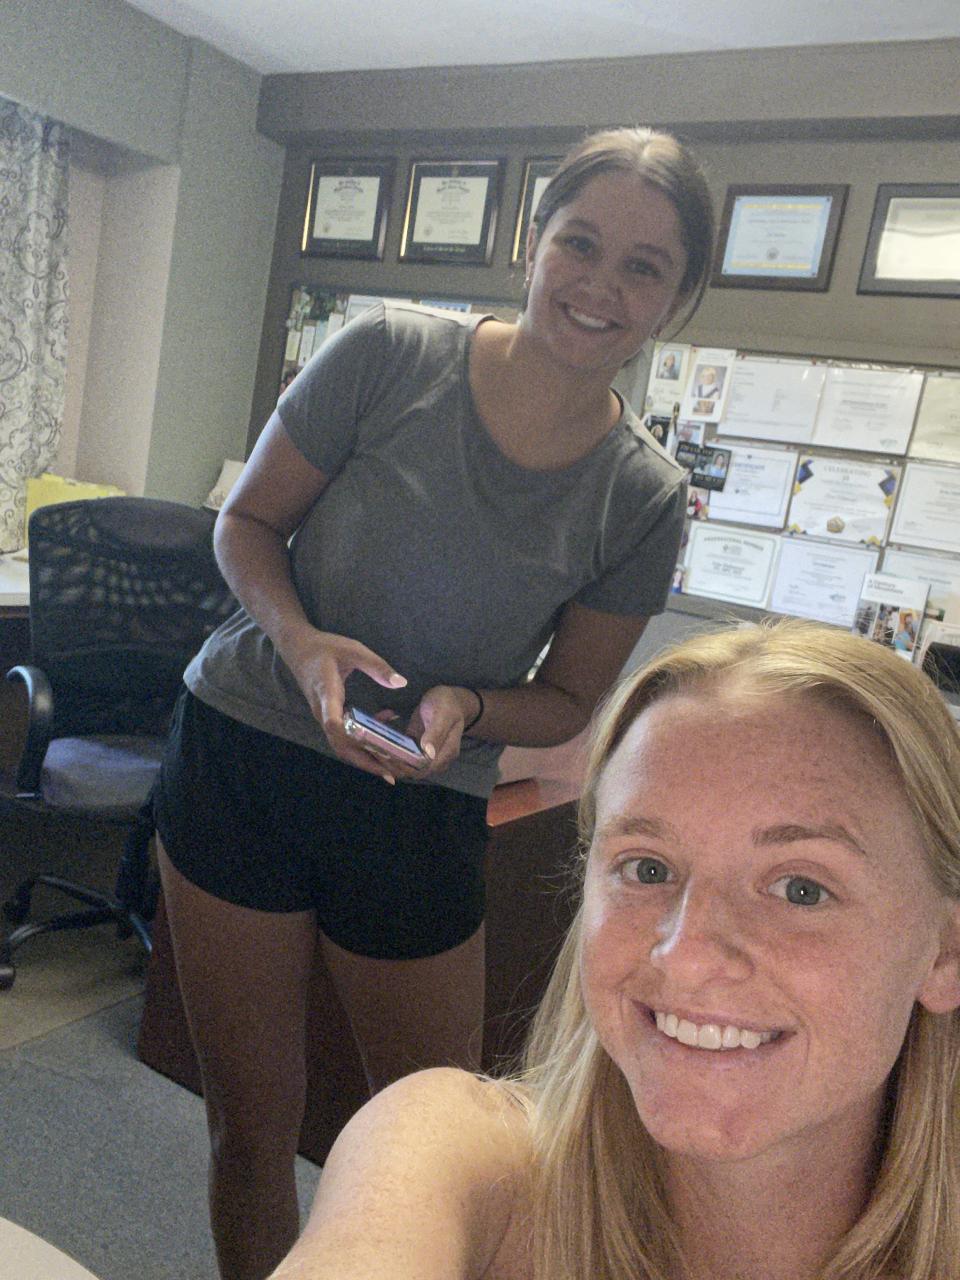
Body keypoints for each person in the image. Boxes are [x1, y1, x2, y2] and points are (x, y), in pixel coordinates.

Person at [154, 124, 715, 1280]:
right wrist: (306, 644)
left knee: (438, 1149)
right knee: (249, 1127)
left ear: (678, 298)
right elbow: (245, 523)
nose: (599, 284)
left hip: (420, 809)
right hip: (245, 751)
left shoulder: (642, 496)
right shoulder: (388, 353)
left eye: (644, 266)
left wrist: (467, 703)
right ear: (531, 243)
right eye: (580, 242)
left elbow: (568, 697)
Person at [270, 619, 960, 1280]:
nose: (685, 955)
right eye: (648, 869)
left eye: (801, 890)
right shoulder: (454, 1161)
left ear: (944, 950)